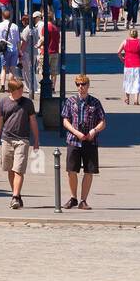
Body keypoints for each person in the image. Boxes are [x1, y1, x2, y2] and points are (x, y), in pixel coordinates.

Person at [0, 76, 40, 210]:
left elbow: (33, 121)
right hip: (6, 139)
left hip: (22, 140)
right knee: (10, 169)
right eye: (20, 89)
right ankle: (15, 194)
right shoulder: (3, 102)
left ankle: (15, 196)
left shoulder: (28, 103)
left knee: (19, 169)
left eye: (22, 88)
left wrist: (36, 140)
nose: (22, 91)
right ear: (12, 90)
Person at [61, 74, 107, 209]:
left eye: (83, 84)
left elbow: (103, 121)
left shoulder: (95, 102)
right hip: (74, 140)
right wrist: (75, 132)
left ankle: (83, 200)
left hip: (90, 141)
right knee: (71, 170)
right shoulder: (70, 101)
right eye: (78, 85)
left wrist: (94, 131)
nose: (81, 87)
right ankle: (73, 197)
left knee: (89, 171)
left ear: (88, 86)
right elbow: (65, 120)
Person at [118, 25, 140, 106]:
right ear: (137, 34)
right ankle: (136, 100)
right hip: (138, 64)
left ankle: (127, 99)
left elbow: (118, 52)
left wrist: (123, 59)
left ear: (130, 34)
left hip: (128, 64)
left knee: (127, 81)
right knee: (137, 82)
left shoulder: (125, 41)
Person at [0, 9, 21, 89]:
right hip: (13, 49)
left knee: (3, 69)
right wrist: (19, 51)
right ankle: (10, 87)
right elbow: (18, 41)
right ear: (10, 17)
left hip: (4, 49)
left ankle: (2, 86)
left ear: (2, 16)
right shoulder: (15, 26)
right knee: (12, 69)